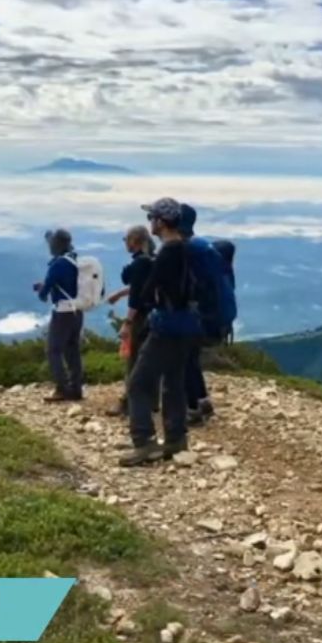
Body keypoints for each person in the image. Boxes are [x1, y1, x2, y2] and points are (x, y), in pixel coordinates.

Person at [120, 198, 201, 467]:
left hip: (166, 326)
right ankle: (176, 438)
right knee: (173, 381)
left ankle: (144, 443)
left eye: (152, 218)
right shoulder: (189, 249)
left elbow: (147, 292)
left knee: (138, 383)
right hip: (189, 325)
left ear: (161, 222)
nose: (150, 223)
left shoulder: (167, 253)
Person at [105, 225, 156, 417]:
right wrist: (120, 293)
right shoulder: (152, 258)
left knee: (134, 359)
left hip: (142, 317)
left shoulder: (139, 263)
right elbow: (143, 286)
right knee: (149, 358)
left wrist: (127, 323)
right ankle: (152, 400)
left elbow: (136, 296)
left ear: (135, 241)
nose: (125, 242)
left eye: (126, 239)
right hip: (156, 313)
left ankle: (128, 403)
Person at [33, 228, 84, 403]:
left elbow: (44, 294)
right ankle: (76, 389)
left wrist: (42, 288)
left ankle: (61, 389)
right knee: (73, 349)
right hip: (78, 310)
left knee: (53, 350)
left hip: (62, 312)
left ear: (56, 245)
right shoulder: (75, 259)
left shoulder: (57, 264)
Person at [178, 203, 217, 427]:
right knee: (191, 359)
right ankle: (202, 401)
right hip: (204, 314)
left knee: (184, 359)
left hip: (192, 315)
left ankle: (192, 408)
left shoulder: (186, 250)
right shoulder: (200, 247)